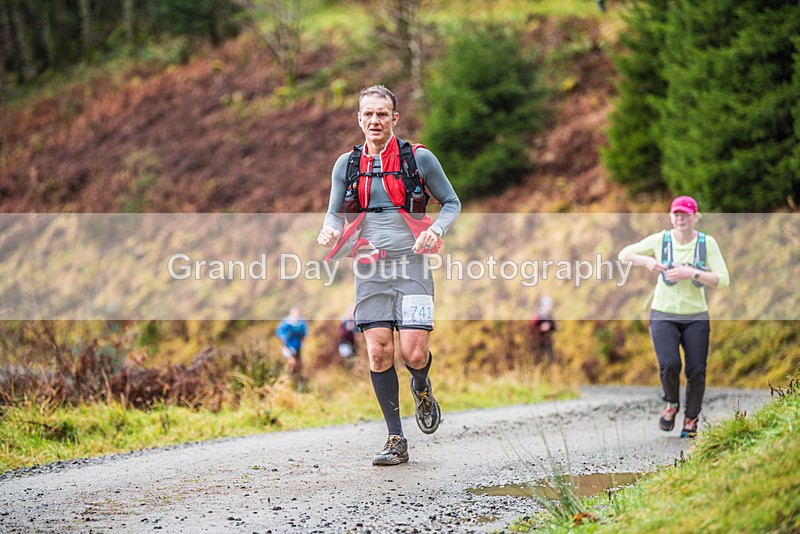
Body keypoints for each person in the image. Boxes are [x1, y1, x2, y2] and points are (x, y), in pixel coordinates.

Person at [317, 85, 461, 465]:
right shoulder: (346, 165)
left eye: (382, 114)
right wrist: (330, 229)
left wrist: (437, 230)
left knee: (413, 352)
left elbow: (451, 202)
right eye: (368, 114)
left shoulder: (419, 158)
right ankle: (396, 438)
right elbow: (335, 212)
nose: (375, 120)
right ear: (359, 119)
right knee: (379, 351)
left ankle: (422, 385)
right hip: (369, 266)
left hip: (412, 263)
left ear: (394, 119)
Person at [618, 195, 730, 438]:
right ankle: (671, 403)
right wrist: (646, 261)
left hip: (696, 316)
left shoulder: (706, 243)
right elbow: (624, 254)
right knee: (669, 364)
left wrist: (692, 272)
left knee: (696, 370)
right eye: (676, 214)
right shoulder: (661, 240)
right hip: (663, 314)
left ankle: (691, 419)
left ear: (695, 217)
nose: (680, 219)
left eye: (685, 214)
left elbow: (723, 279)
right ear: (671, 217)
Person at [275, 307, 308, 383]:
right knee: (292, 362)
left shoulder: (301, 322)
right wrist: (287, 335)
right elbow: (279, 333)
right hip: (288, 346)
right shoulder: (286, 322)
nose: (297, 315)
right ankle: (285, 379)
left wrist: (302, 335)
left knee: (298, 365)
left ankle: (296, 380)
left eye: (298, 313)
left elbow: (304, 333)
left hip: (297, 347)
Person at [528, 295, 557, 363]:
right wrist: (541, 328)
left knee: (550, 359)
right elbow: (531, 328)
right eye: (549, 305)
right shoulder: (537, 316)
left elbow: (550, 327)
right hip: (537, 342)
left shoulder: (549, 316)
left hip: (547, 342)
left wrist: (555, 327)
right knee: (537, 359)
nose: (550, 307)